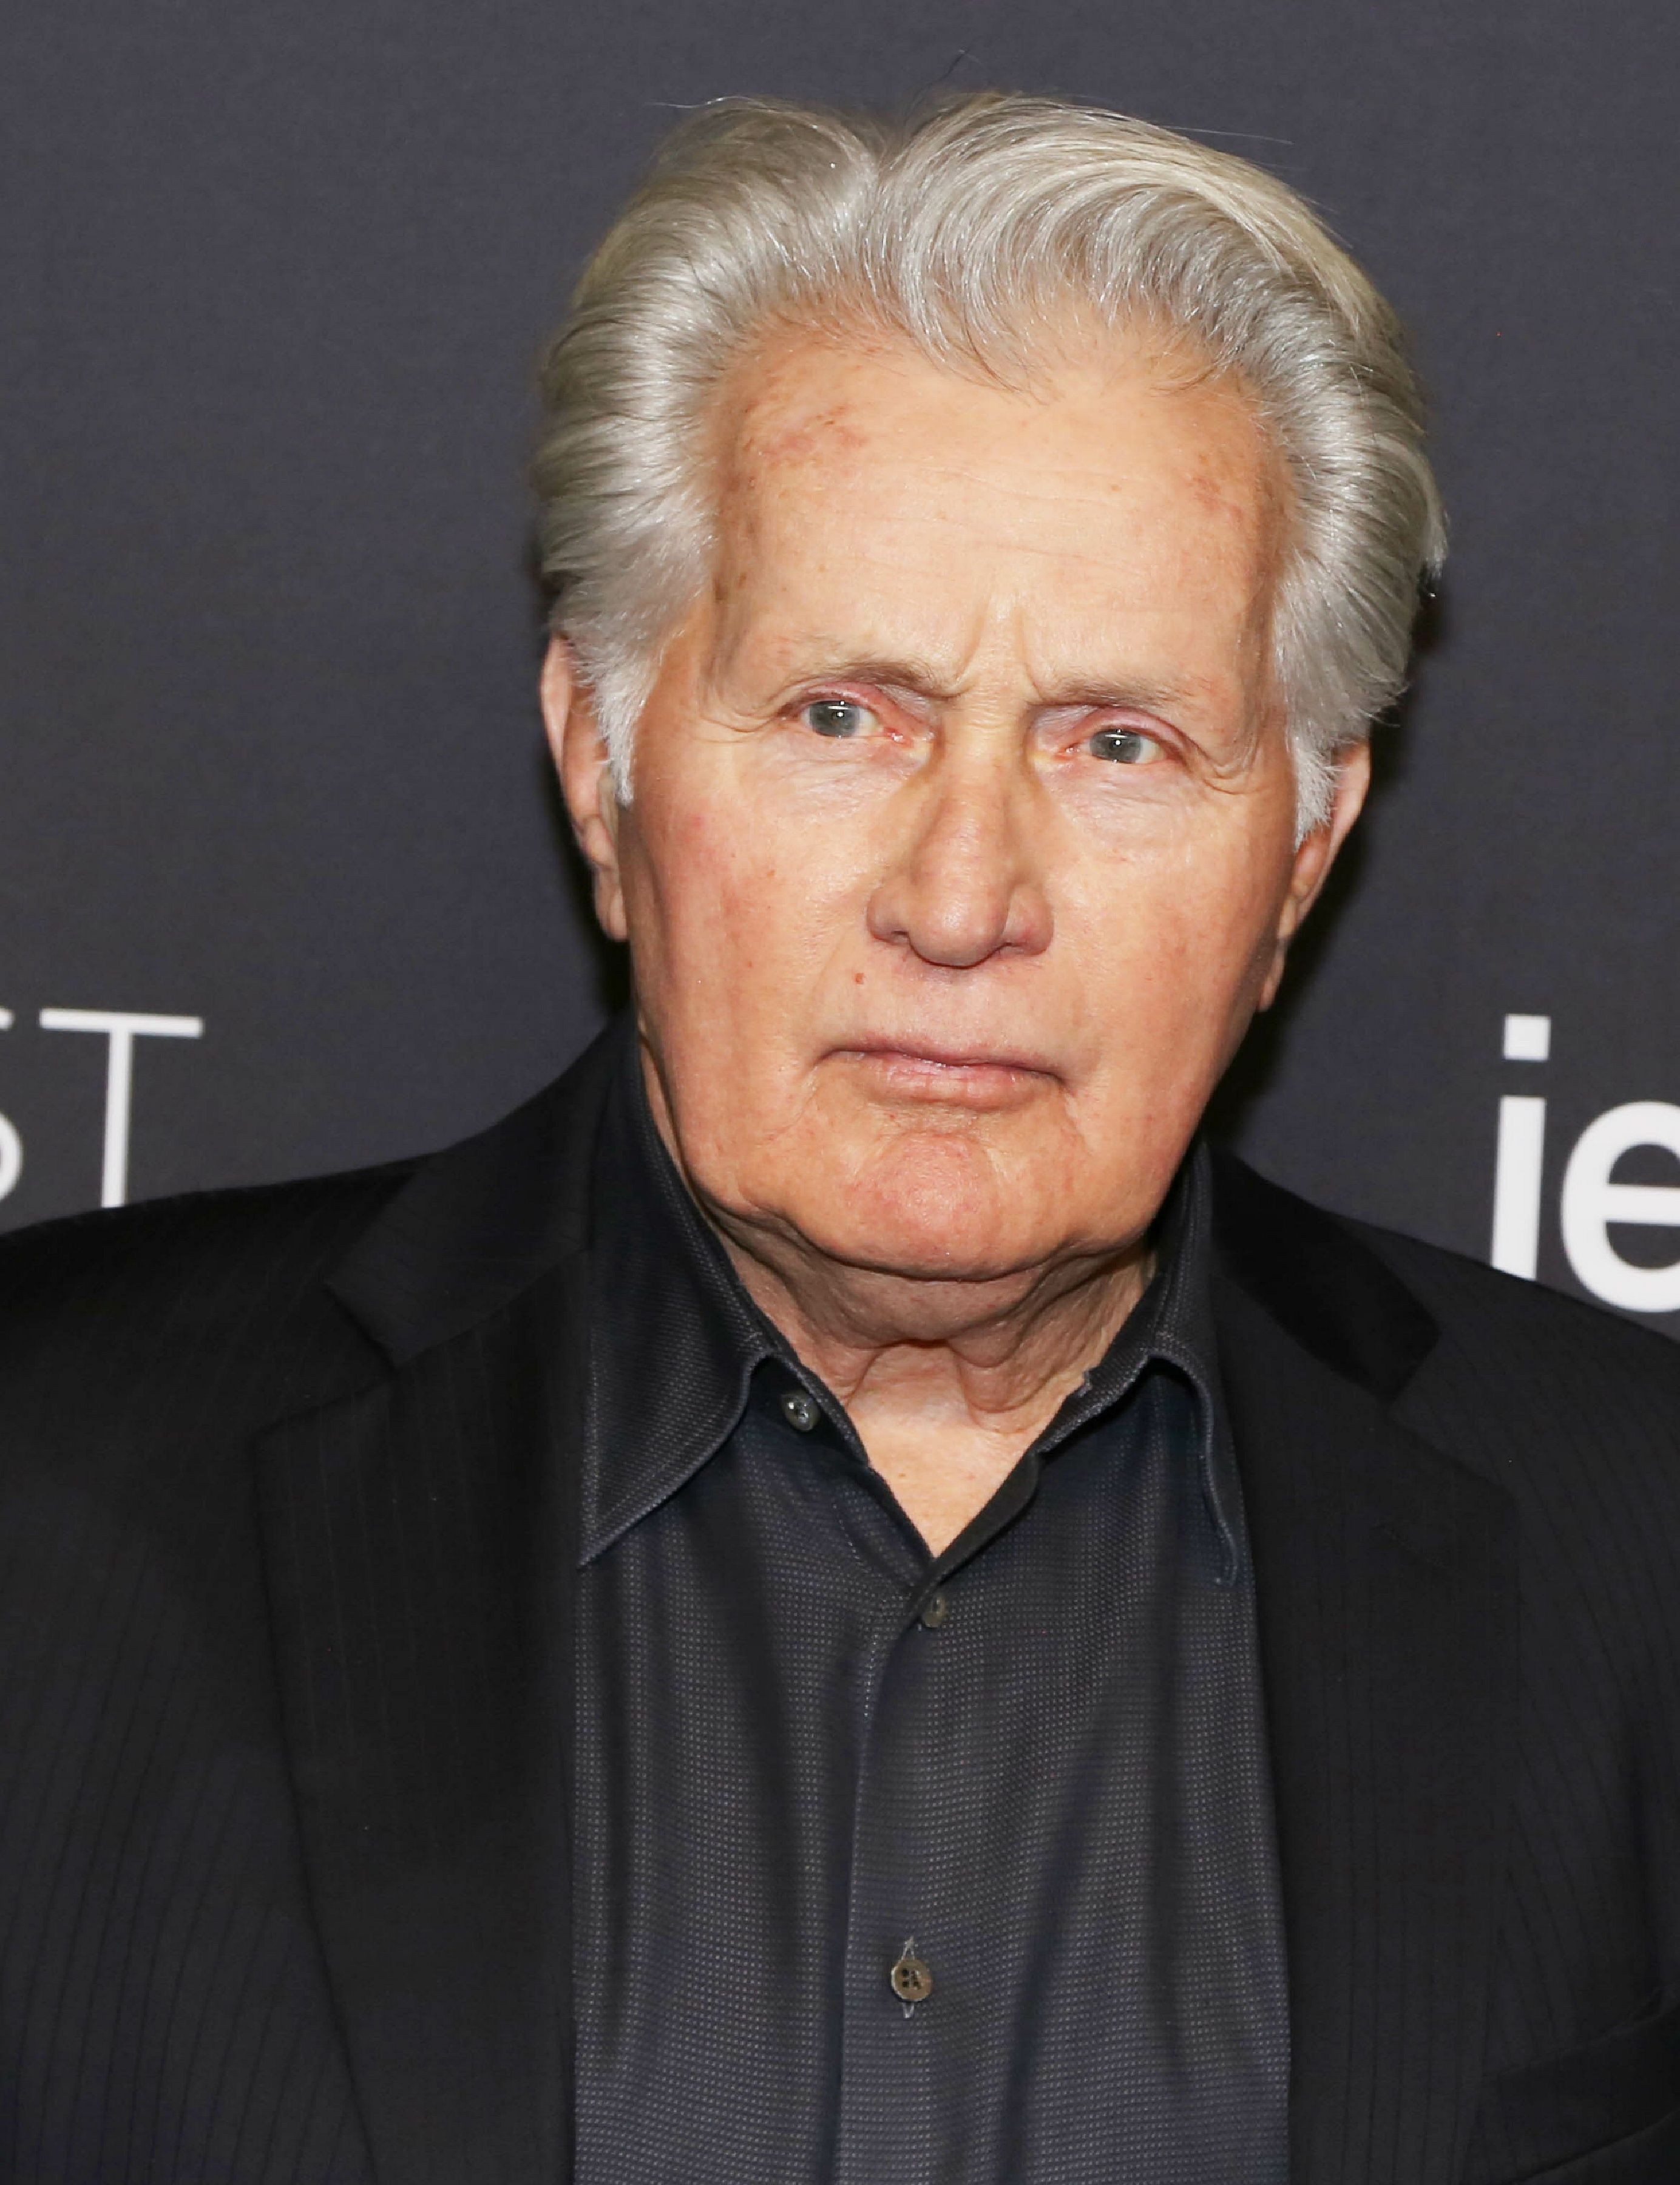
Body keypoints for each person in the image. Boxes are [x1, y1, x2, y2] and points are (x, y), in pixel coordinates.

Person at [1, 91, 1676, 2185]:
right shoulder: (44, 1484)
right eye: (841, 715)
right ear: (601, 776)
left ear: (1305, 856)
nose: (963, 894)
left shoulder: (1635, 1555)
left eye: (1121, 741)